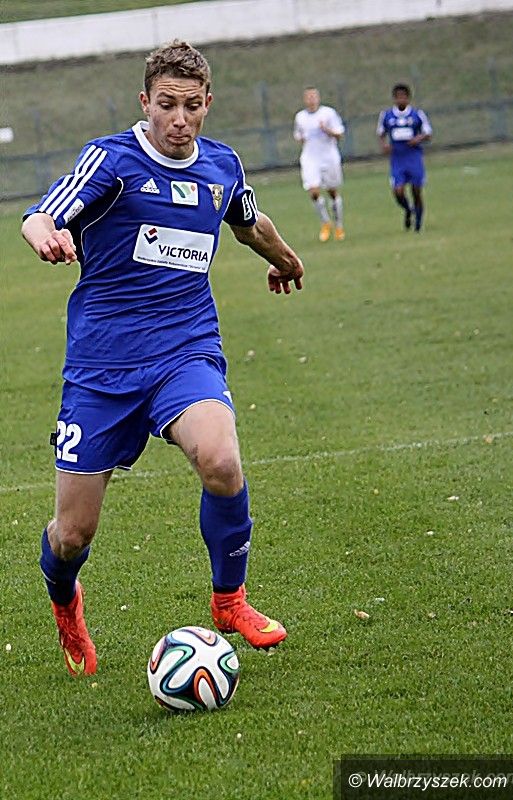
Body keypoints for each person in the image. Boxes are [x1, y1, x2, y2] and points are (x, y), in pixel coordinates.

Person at [21, 40, 304, 677]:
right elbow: (40, 215)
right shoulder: (112, 161)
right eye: (167, 105)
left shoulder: (222, 166)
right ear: (145, 101)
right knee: (72, 534)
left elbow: (248, 223)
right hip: (102, 368)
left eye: (192, 106)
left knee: (221, 458)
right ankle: (65, 599)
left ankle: (230, 600)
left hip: (184, 349)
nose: (180, 119)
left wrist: (284, 258)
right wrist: (47, 237)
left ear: (208, 103)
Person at [376, 83, 432, 232]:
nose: (401, 100)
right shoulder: (387, 115)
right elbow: (381, 133)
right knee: (398, 191)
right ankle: (408, 209)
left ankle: (418, 224)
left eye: (403, 97)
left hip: (413, 157)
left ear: (408, 98)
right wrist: (384, 145)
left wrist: (418, 139)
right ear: (394, 99)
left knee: (416, 190)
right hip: (397, 158)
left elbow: (428, 133)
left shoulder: (417, 114)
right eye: (398, 97)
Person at [293, 87, 345, 242]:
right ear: (305, 100)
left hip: (329, 157)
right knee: (313, 191)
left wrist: (326, 130)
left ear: (318, 98)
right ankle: (325, 223)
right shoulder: (300, 117)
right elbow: (299, 136)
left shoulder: (328, 113)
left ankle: (339, 225)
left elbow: (339, 134)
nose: (311, 100)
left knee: (332, 192)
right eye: (308, 97)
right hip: (310, 158)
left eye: (313, 96)